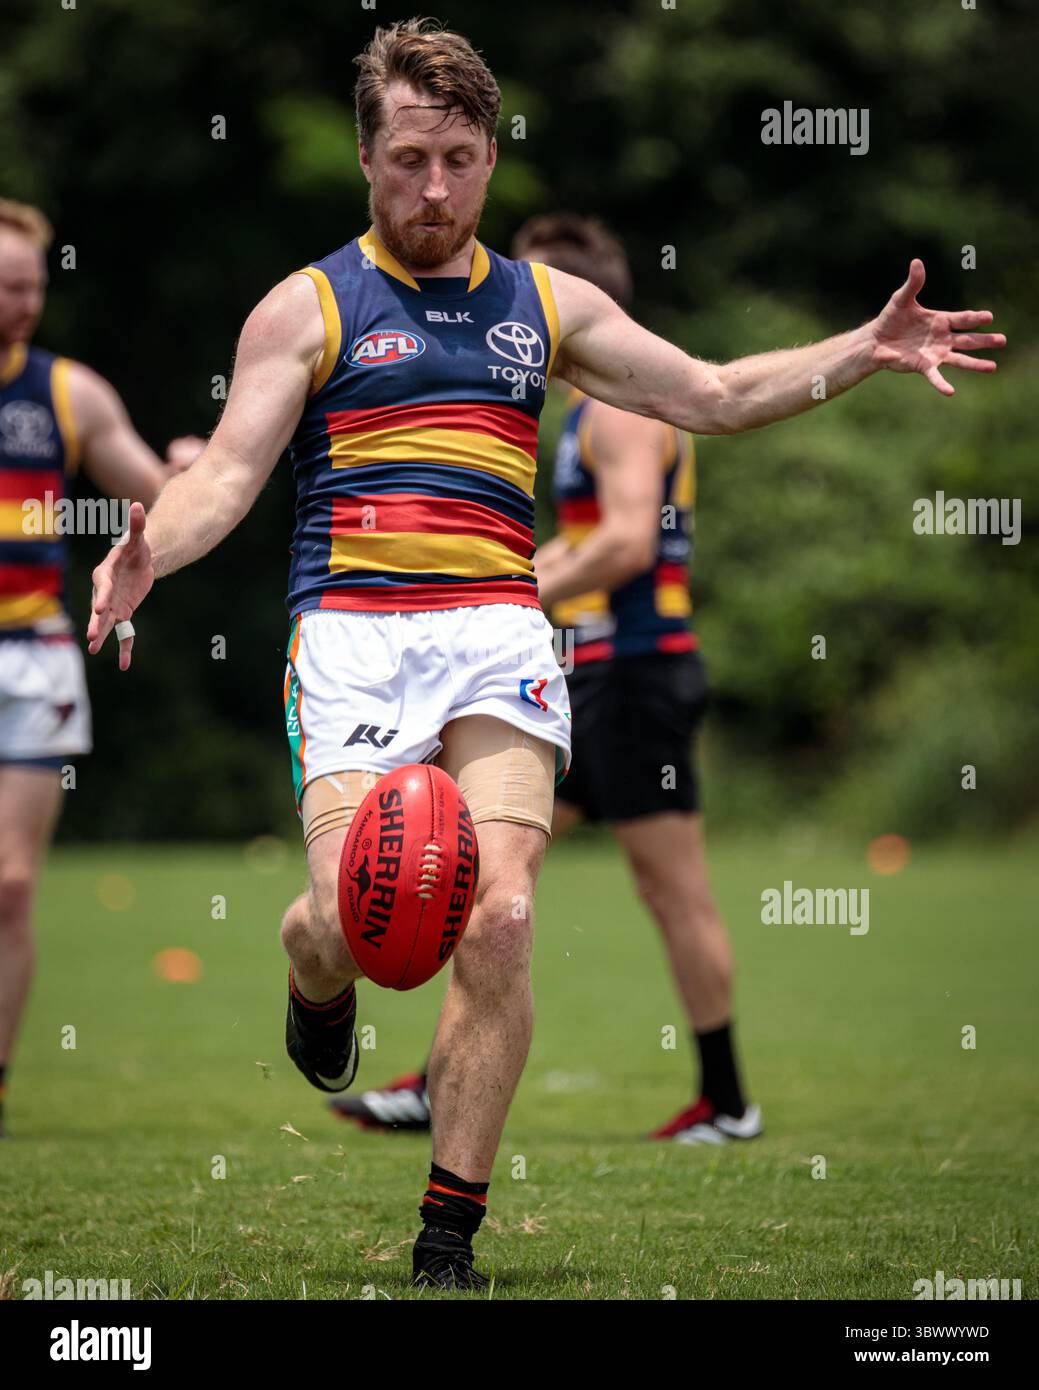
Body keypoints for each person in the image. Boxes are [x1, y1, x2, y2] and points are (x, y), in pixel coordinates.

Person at [86, 19, 1004, 1290]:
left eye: (460, 158)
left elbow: (716, 390)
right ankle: (314, 974)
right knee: (348, 927)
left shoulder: (545, 304)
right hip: (349, 639)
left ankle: (446, 1235)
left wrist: (862, 347)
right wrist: (149, 554)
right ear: (366, 156)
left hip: (495, 636)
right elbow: (226, 477)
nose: (434, 189)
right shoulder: (303, 309)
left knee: (502, 916)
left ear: (489, 158)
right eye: (409, 158)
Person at [333, 213, 761, 1147]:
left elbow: (625, 538)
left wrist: (505, 579)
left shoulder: (614, 410)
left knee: (664, 890)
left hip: (635, 676)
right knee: (477, 875)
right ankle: (437, 1081)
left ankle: (727, 1102)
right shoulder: (575, 412)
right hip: (597, 679)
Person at [0, 198, 202, 1137]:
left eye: (33, 285)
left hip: (36, 653)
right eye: (5, 286)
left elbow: (157, 494)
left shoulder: (68, 393)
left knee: (10, 885)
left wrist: (194, 469)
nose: (21, 302)